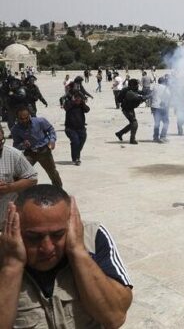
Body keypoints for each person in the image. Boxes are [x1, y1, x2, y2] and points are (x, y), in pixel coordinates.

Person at [0, 185, 133, 328]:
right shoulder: (5, 246)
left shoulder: (93, 237)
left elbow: (115, 317)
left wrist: (79, 251)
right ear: (15, 225)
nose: (47, 248)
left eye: (57, 235)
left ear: (71, 223)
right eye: (33, 237)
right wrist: (12, 265)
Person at [10, 106, 63, 189]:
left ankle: (59, 190)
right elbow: (16, 145)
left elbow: (50, 129)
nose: (24, 120)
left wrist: (52, 140)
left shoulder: (40, 121)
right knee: (21, 173)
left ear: (30, 115)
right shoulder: (15, 130)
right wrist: (22, 145)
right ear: (17, 118)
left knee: (52, 172)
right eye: (21, 118)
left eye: (26, 118)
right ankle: (23, 193)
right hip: (29, 153)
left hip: (44, 151)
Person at [0, 125, 37, 226]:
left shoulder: (14, 155)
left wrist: (10, 187)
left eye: (1, 141)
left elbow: (32, 178)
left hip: (5, 221)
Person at [115, 79, 147, 145]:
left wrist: (146, 92)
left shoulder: (132, 89)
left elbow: (139, 92)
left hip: (130, 108)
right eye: (136, 85)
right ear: (132, 85)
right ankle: (132, 139)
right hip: (127, 109)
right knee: (134, 123)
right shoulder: (126, 91)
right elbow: (119, 99)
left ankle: (120, 133)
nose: (137, 86)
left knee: (132, 123)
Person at [63, 90, 90, 166]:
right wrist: (74, 102)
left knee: (81, 141)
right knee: (75, 141)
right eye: (76, 97)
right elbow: (66, 108)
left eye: (79, 97)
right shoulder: (68, 103)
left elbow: (87, 110)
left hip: (81, 128)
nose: (78, 99)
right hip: (70, 128)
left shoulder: (81, 104)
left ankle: (76, 153)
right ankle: (76, 158)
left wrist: (82, 103)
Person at [149, 77, 170, 143]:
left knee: (157, 123)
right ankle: (163, 137)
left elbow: (151, 96)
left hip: (154, 106)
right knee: (166, 122)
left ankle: (155, 137)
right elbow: (168, 97)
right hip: (162, 107)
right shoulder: (165, 88)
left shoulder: (154, 87)